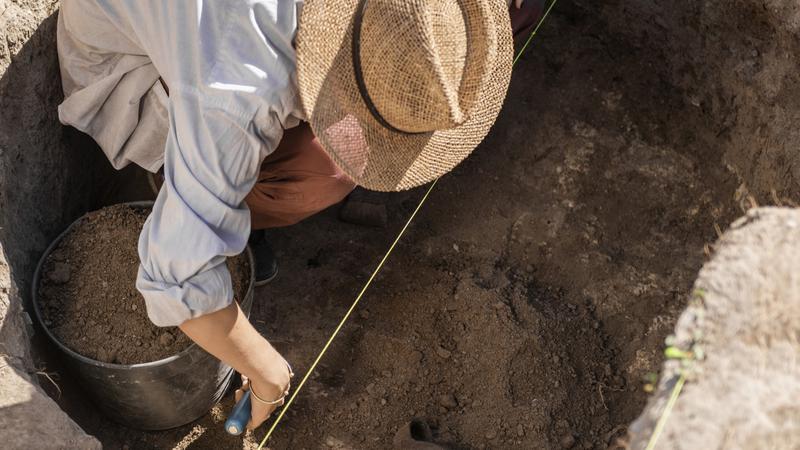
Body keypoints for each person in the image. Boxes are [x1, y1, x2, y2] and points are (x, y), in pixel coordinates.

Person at [57, 0, 543, 432]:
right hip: (128, 64)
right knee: (330, 170)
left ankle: (228, 182)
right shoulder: (237, 93)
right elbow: (171, 275)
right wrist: (266, 369)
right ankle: (192, 184)